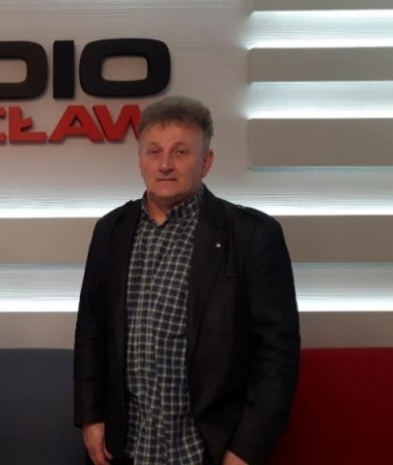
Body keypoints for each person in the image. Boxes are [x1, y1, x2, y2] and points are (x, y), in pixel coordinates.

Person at [73, 96, 300, 465]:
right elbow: (91, 329)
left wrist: (246, 450)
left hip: (210, 451)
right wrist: (91, 415)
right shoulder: (110, 231)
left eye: (180, 152)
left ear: (206, 162)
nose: (165, 164)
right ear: (140, 160)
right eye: (154, 151)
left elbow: (276, 354)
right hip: (124, 447)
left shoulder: (253, 236)